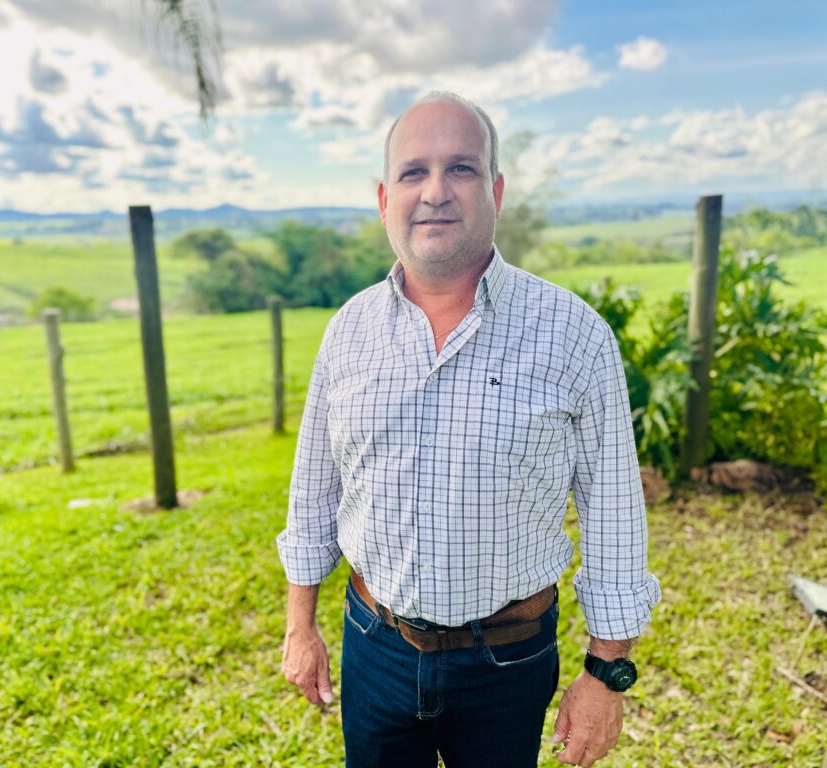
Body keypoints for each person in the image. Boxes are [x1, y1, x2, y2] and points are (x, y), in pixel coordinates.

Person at [276, 91, 660, 768]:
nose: (435, 192)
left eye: (461, 168)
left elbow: (615, 521)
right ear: (383, 198)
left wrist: (606, 676)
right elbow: (314, 492)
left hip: (507, 659)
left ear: (496, 189)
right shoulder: (349, 332)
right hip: (374, 644)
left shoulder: (573, 335)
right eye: (413, 172)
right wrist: (299, 627)